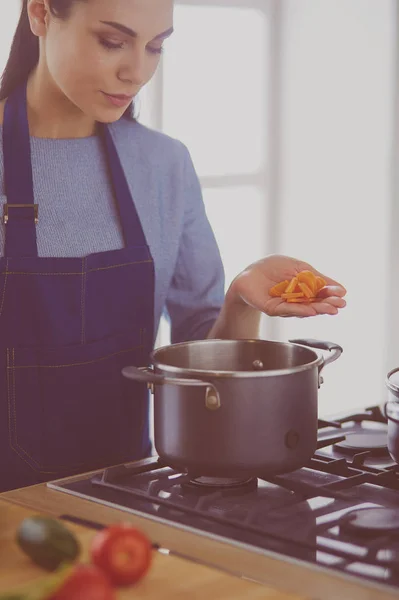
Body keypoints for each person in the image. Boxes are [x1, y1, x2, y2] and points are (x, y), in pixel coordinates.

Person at [0, 0, 346, 493]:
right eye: (112, 41)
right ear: (39, 13)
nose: (137, 71)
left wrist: (240, 302)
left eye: (156, 47)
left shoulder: (164, 167)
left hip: (125, 507)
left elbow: (202, 368)